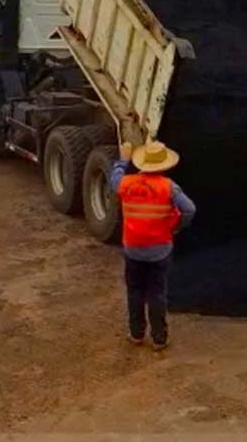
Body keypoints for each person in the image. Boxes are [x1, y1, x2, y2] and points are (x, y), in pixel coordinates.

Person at [109, 139, 195, 351]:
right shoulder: (169, 187)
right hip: (160, 250)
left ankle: (136, 334)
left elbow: (113, 180)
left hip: (133, 249)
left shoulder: (127, 184)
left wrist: (123, 159)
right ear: (165, 166)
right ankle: (159, 339)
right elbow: (190, 209)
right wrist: (176, 226)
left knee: (135, 291)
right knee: (156, 293)